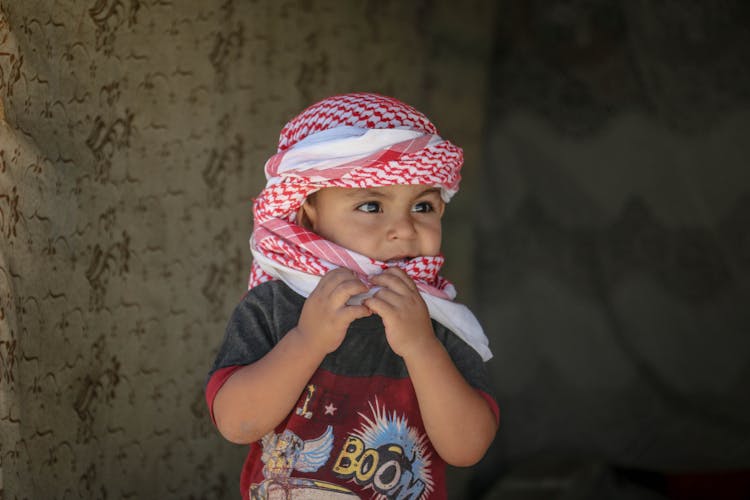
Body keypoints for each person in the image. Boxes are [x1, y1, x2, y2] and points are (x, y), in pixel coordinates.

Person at [205, 92, 498, 499]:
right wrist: (308, 341)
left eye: (424, 206)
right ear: (309, 212)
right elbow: (237, 424)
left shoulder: (437, 318)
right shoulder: (273, 306)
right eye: (372, 205)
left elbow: (467, 448)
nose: (405, 229)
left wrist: (420, 346)